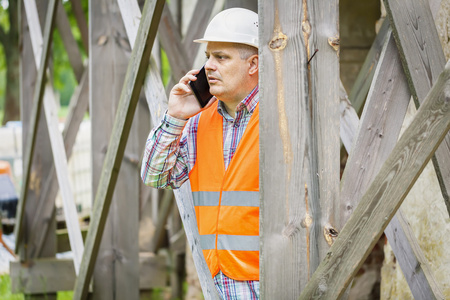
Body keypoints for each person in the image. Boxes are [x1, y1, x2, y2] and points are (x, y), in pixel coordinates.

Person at [141, 8, 260, 299]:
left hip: (274, 278)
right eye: (208, 56)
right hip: (220, 281)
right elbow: (155, 176)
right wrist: (175, 116)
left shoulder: (281, 116)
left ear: (254, 64)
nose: (209, 66)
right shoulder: (197, 122)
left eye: (221, 57)